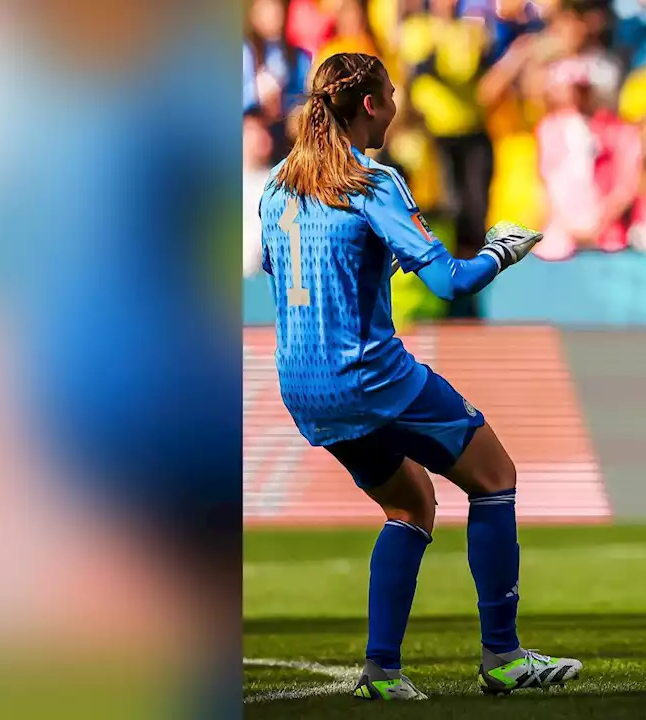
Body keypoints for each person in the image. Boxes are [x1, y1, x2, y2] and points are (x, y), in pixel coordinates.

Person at [258, 52, 582, 700]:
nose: (398, 106)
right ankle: (504, 657)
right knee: (495, 478)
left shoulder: (277, 185)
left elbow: (276, 269)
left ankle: (383, 672)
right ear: (372, 106)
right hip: (369, 373)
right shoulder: (372, 181)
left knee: (410, 504)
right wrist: (500, 250)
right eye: (392, 96)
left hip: (300, 381)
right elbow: (448, 280)